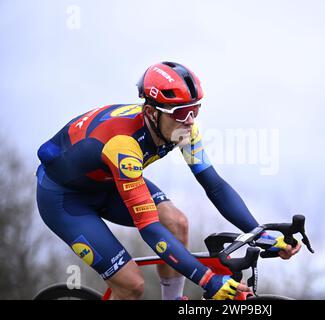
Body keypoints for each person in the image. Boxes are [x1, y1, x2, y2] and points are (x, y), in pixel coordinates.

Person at [35, 61, 301, 300]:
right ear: (152, 112)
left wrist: (262, 235)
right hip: (65, 200)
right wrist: (208, 280)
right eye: (180, 113)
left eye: (194, 110)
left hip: (108, 183)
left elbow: (214, 186)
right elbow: (149, 228)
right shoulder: (123, 146)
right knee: (131, 286)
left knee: (177, 222)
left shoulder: (180, 129)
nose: (189, 121)